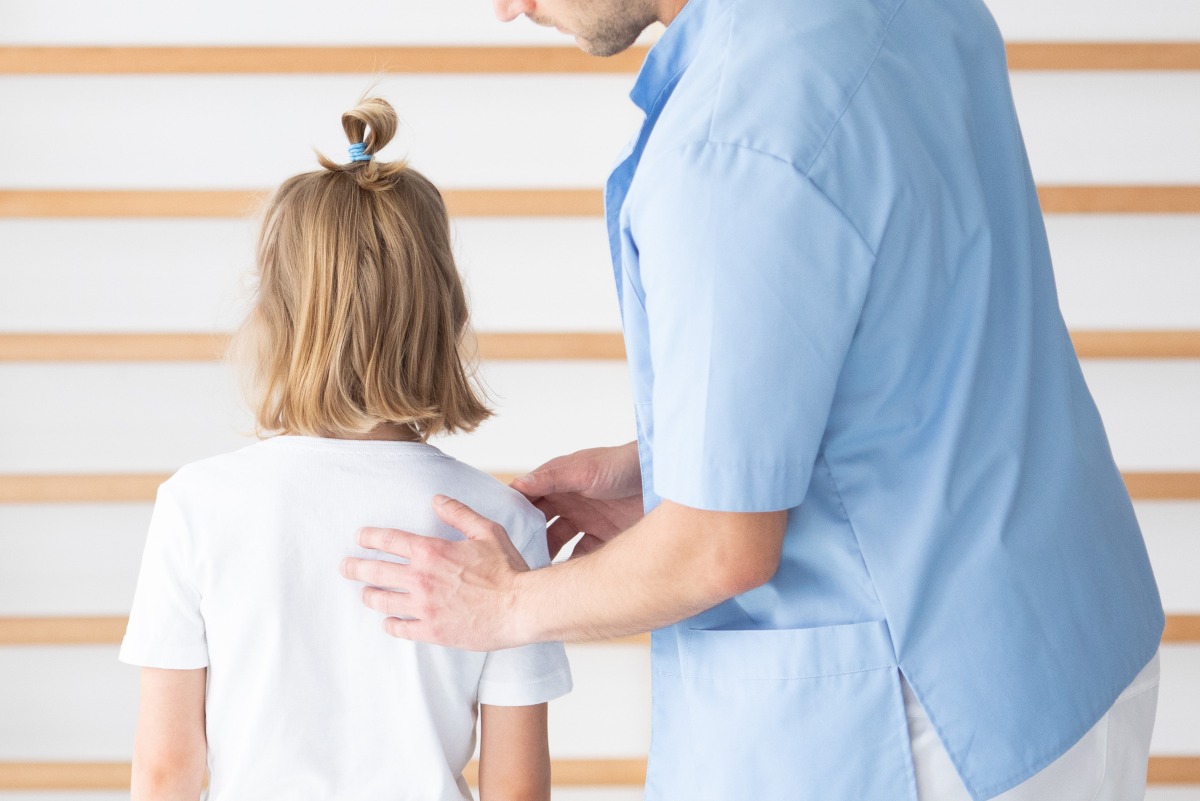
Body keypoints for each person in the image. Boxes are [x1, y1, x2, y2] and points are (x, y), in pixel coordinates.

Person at [338, 1, 1165, 799]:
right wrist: (674, 466)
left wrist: (504, 604)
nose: (508, 7)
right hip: (1068, 641)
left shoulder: (728, 141)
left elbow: (719, 549)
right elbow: (909, 318)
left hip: (927, 721)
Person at [119, 97, 571, 801]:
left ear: (272, 317)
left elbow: (165, 771)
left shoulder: (197, 505)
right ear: (446, 315)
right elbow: (517, 788)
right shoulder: (498, 521)